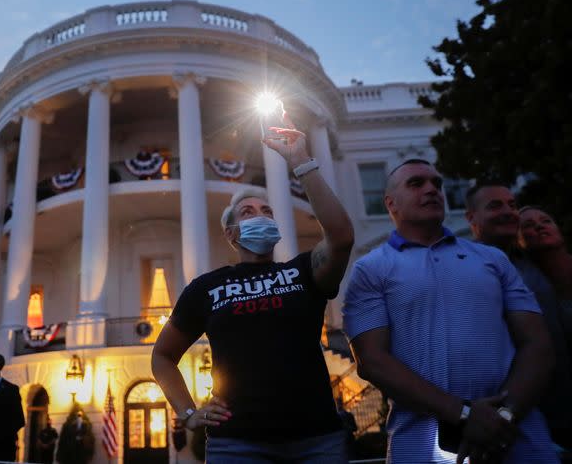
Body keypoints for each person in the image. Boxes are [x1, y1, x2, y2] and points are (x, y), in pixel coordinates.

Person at [152, 105, 355, 463]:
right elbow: (163, 356)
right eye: (248, 212)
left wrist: (300, 160)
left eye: (268, 212)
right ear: (231, 234)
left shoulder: (304, 271)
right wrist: (189, 414)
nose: (261, 216)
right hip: (237, 443)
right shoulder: (206, 287)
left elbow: (340, 236)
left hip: (316, 438)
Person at [343, 159, 558, 464]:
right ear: (390, 202)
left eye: (437, 184)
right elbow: (372, 361)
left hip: (518, 437)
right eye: (416, 184)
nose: (433, 189)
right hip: (421, 444)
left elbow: (538, 344)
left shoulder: (493, 259)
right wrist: (464, 414)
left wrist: (502, 416)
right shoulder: (370, 269)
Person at [466, 184, 572, 452]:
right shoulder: (465, 267)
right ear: (471, 218)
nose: (507, 212)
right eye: (495, 206)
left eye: (512, 205)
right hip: (521, 418)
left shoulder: (529, 263)